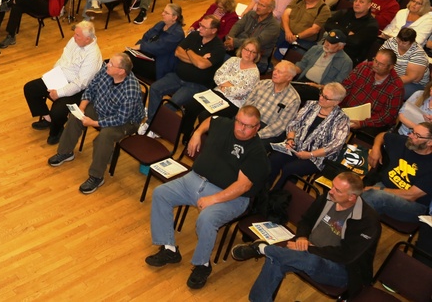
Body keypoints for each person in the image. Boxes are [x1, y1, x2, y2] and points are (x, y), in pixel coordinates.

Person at [144, 106, 269, 290]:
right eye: (240, 123)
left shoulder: (257, 152)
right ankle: (169, 249)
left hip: (231, 197)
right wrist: (197, 133)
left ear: (257, 128)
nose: (242, 128)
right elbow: (209, 120)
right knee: (161, 193)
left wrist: (214, 199)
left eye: (248, 126)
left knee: (207, 219)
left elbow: (242, 186)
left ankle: (202, 265)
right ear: (235, 120)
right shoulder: (226, 125)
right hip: (195, 180)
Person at [234, 171, 380, 302]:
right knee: (277, 260)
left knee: (309, 261)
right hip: (308, 250)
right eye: (333, 186)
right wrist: (302, 237)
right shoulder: (328, 198)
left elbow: (346, 256)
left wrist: (310, 250)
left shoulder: (367, 221)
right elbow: (306, 220)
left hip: (342, 270)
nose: (331, 190)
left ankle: (263, 249)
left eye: (337, 190)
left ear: (352, 197)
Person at [47, 53, 146, 194]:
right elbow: (91, 89)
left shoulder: (131, 90)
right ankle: (65, 152)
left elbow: (121, 118)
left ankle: (96, 176)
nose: (107, 65)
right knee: (76, 117)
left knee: (104, 136)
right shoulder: (106, 71)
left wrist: (93, 122)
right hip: (102, 108)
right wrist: (81, 108)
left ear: (121, 71)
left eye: (111, 64)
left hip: (126, 122)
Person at [24, 21, 102, 145]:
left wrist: (59, 93)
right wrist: (52, 75)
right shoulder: (75, 41)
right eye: (75, 34)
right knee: (30, 88)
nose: (73, 37)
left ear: (88, 39)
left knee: (58, 111)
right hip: (60, 77)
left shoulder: (93, 56)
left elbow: (80, 83)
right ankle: (48, 119)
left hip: (78, 89)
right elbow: (63, 59)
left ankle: (57, 131)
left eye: (77, 35)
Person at [268, 83, 351, 188]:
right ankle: (263, 191)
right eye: (321, 94)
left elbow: (335, 146)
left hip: (316, 157)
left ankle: (275, 197)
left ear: (337, 102)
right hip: (296, 146)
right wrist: (290, 138)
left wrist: (311, 154)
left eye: (326, 98)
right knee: (274, 159)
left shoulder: (342, 119)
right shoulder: (311, 105)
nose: (321, 98)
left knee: (290, 169)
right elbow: (294, 124)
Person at [144, 17, 226, 123]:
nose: (199, 28)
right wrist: (197, 58)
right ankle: (152, 121)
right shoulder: (194, 35)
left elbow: (201, 65)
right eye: (200, 25)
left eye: (204, 27)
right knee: (155, 88)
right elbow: (178, 52)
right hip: (178, 76)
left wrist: (188, 50)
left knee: (174, 102)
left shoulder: (218, 48)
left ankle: (153, 124)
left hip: (196, 84)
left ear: (213, 30)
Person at [362, 123, 432, 224]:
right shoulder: (405, 142)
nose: (410, 136)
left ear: (430, 142)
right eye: (412, 131)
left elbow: (411, 195)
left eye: (417, 135)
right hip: (384, 188)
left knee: (374, 197)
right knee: (358, 193)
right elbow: (382, 135)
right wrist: (376, 148)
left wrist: (378, 189)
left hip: (413, 205)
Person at [341, 49, 404, 132]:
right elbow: (345, 87)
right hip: (348, 110)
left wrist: (363, 123)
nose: (376, 65)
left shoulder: (396, 87)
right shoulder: (364, 67)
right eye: (375, 61)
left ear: (391, 67)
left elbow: (388, 115)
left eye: (381, 64)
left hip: (372, 121)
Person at [128, 4, 185, 81]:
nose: (162, 14)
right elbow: (146, 36)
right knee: (126, 57)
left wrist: (141, 47)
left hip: (159, 65)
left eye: (166, 13)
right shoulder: (161, 24)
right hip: (148, 55)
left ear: (174, 17)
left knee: (126, 62)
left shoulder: (177, 34)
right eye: (163, 11)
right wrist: (137, 48)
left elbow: (160, 47)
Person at [293, 30, 354, 99]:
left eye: (331, 43)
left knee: (293, 92)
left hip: (321, 89)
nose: (326, 44)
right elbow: (302, 65)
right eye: (326, 40)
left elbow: (337, 86)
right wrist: (290, 70)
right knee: (282, 83)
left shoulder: (346, 62)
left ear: (341, 46)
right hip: (303, 81)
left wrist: (319, 86)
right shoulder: (315, 49)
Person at [226, 0, 282, 67]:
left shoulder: (273, 26)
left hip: (256, 56)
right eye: (258, 4)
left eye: (262, 5)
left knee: (230, 64)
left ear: (270, 10)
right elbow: (237, 26)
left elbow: (257, 42)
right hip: (239, 48)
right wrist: (230, 39)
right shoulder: (250, 14)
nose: (258, 7)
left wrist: (235, 42)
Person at [325, 0, 379, 64]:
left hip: (349, 57)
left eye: (361, 2)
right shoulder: (346, 12)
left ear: (369, 5)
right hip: (330, 48)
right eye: (355, 1)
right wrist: (346, 31)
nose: (357, 4)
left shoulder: (372, 25)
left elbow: (355, 42)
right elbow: (327, 24)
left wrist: (336, 31)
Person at [381, 27, 431, 100]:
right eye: (399, 40)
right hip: (392, 75)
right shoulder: (392, 42)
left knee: (390, 92)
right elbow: (381, 57)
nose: (400, 44)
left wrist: (387, 82)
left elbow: (410, 77)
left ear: (412, 42)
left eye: (404, 43)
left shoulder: (418, 54)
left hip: (414, 84)